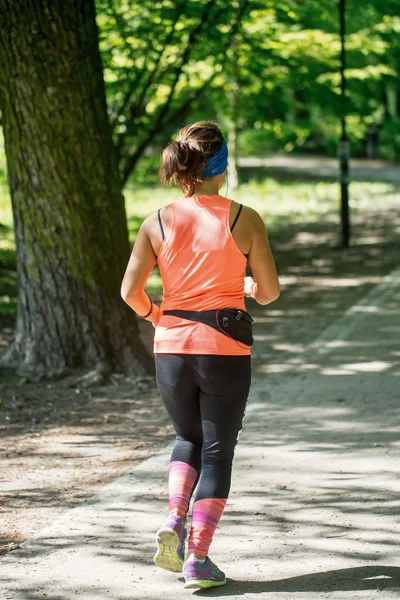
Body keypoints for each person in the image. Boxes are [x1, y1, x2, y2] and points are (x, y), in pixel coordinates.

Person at [121, 120, 280, 589]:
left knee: (185, 439)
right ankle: (197, 559)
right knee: (217, 453)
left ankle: (173, 517)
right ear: (222, 167)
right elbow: (268, 293)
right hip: (223, 351)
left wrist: (157, 316)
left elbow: (130, 291)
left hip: (170, 347)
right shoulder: (242, 217)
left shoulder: (157, 220)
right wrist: (247, 286)